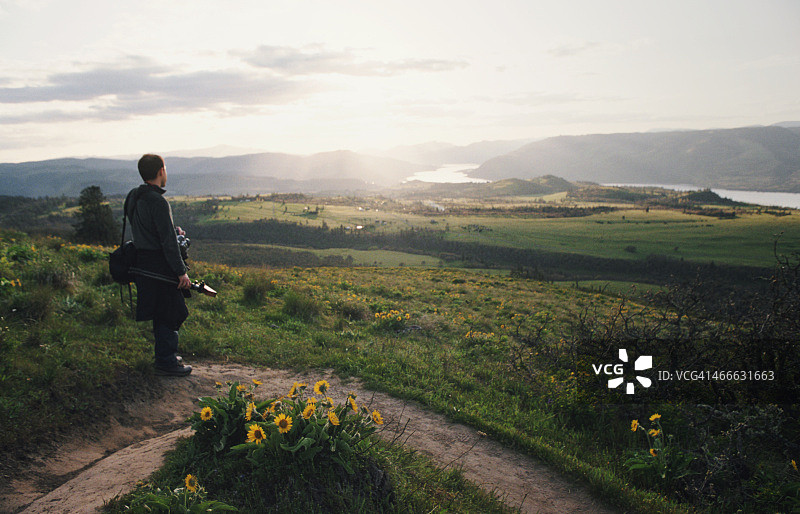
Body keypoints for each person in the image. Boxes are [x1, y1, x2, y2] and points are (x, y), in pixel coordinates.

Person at [126, 154, 193, 376]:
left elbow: (147, 231)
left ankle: (165, 355)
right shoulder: (158, 201)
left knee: (160, 310)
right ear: (160, 171)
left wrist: (173, 233)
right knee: (172, 311)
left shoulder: (134, 196)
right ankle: (166, 361)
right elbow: (166, 242)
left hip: (141, 262)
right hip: (160, 265)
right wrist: (181, 272)